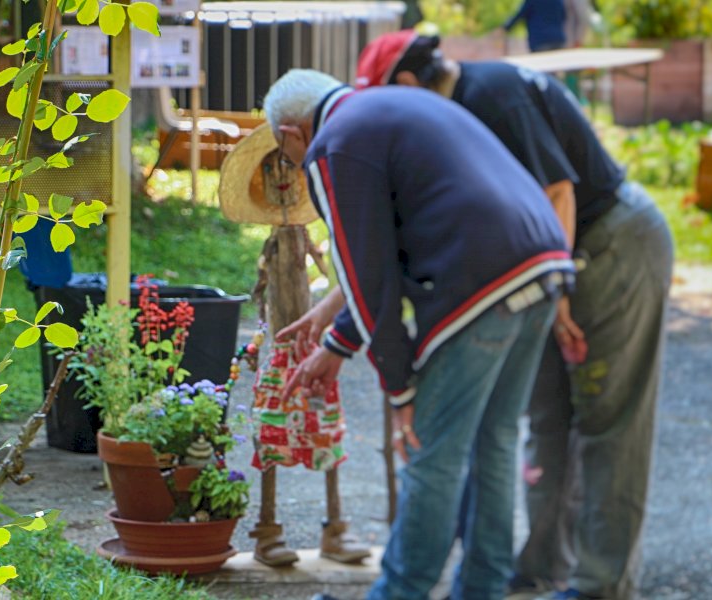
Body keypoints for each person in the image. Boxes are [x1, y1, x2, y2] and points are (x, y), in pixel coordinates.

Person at [354, 30, 675, 599]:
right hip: (542, 271)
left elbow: (560, 194)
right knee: (541, 423)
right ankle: (538, 567)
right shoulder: (450, 115)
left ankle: (601, 584)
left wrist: (559, 298)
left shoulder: (493, 89)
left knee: (607, 422)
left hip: (608, 244)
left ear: (406, 84)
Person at [265, 68, 574, 599]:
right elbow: (390, 252)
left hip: (484, 285)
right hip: (544, 264)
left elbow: (368, 273)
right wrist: (339, 336)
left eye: (285, 155)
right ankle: (482, 588)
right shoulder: (390, 107)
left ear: (292, 133)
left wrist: (399, 387)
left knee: (432, 452)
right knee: (495, 442)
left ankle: (400, 592)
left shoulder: (334, 144)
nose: (294, 167)